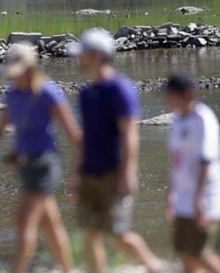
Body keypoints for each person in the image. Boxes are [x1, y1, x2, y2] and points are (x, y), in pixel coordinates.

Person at [0, 43, 82, 273]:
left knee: (24, 222)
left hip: (45, 164)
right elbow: (0, 129)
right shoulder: (13, 94)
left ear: (31, 68)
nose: (15, 77)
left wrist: (78, 172)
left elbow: (73, 133)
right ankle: (68, 269)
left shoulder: (48, 92)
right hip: (25, 164)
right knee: (51, 224)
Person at [68, 28, 163, 273]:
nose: (78, 59)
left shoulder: (120, 89)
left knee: (118, 235)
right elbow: (86, 137)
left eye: (83, 54)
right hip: (90, 174)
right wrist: (78, 175)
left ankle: (155, 267)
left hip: (113, 172)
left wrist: (128, 173)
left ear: (98, 56)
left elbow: (130, 133)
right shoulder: (86, 93)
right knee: (90, 234)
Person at [165, 74, 220, 273]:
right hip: (183, 198)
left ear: (187, 94)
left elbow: (206, 161)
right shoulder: (176, 119)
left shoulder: (203, 118)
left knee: (200, 252)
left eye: (171, 95)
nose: (167, 99)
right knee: (184, 252)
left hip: (207, 196)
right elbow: (177, 161)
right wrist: (171, 192)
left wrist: (200, 198)